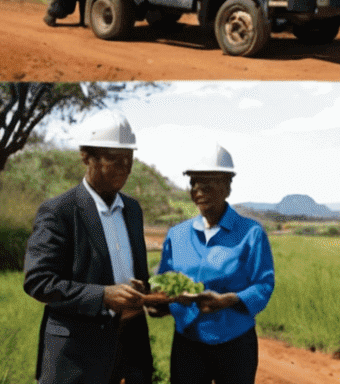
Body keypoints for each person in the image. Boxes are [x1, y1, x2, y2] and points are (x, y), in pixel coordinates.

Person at [24, 111, 156, 384]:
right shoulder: (59, 211)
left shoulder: (132, 209)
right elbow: (39, 281)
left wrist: (145, 290)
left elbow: (139, 272)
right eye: (114, 159)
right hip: (76, 355)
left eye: (129, 159)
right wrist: (103, 295)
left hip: (130, 348)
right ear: (86, 156)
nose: (124, 167)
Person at [158, 144, 274, 384]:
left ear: (228, 186)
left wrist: (228, 300)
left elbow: (263, 284)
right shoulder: (177, 235)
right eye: (194, 182)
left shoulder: (251, 233)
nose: (199, 190)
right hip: (187, 342)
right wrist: (158, 301)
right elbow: (163, 282)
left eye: (208, 182)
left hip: (235, 343)